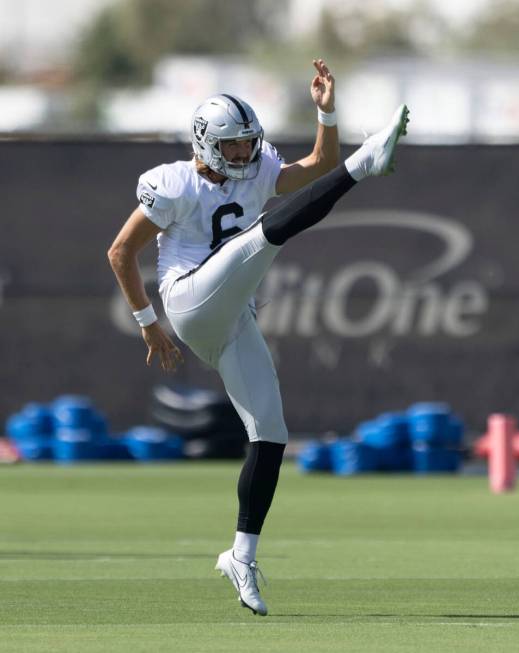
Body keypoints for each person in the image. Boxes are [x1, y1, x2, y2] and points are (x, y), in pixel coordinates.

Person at [108, 58, 409, 616]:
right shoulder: (172, 183)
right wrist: (149, 324)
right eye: (235, 146)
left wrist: (327, 112)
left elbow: (319, 164)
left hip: (230, 318)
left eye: (249, 144)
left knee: (270, 431)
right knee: (258, 241)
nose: (245, 155)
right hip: (189, 302)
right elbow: (120, 251)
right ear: (206, 143)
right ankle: (368, 164)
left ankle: (241, 555)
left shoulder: (257, 165)